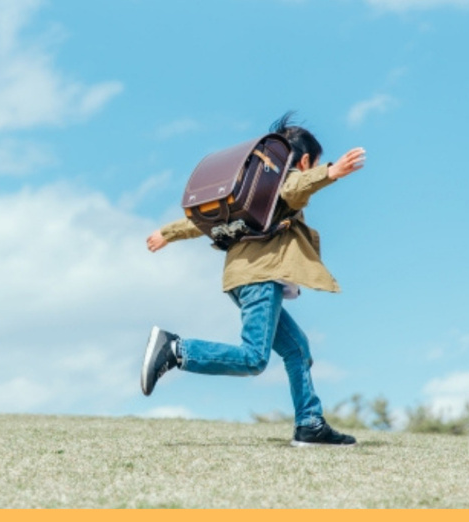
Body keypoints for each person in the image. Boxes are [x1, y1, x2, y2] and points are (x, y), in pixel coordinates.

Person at [141, 111, 366, 447]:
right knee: (253, 358)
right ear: (304, 161)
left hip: (243, 278)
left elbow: (203, 220)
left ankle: (309, 424)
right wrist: (331, 173)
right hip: (260, 278)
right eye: (314, 163)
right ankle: (175, 349)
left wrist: (167, 233)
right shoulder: (283, 183)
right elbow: (295, 187)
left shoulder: (254, 190)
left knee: (297, 349)